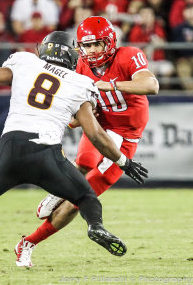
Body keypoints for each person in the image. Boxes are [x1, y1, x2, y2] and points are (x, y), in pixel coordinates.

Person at [0, 31, 148, 272]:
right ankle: (95, 226)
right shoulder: (80, 82)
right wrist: (124, 162)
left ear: (43, 49)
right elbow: (96, 134)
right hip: (46, 154)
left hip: (9, 150)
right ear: (72, 55)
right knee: (86, 198)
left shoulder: (25, 62)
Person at [18, 16, 159, 267]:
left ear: (111, 42)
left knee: (81, 198)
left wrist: (111, 85)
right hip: (99, 127)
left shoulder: (128, 55)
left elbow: (151, 84)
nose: (92, 51)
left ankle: (28, 242)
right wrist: (74, 117)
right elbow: (75, 109)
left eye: (97, 45)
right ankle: (57, 191)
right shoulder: (80, 65)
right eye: (87, 45)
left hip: (126, 136)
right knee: (83, 163)